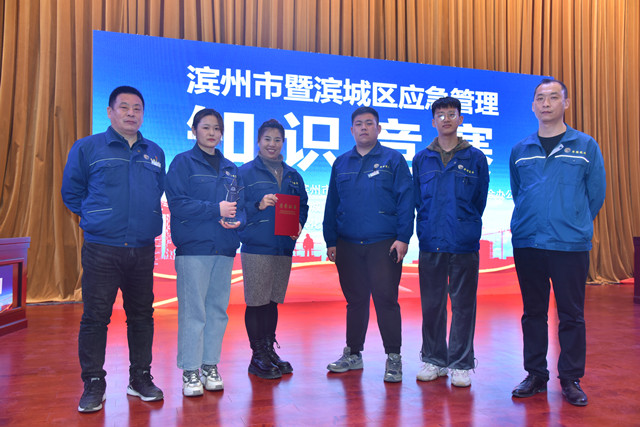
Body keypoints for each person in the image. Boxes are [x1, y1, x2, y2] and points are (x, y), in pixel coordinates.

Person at [61, 86, 165, 413]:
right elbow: (72, 193)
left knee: (142, 316)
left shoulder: (155, 152)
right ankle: (94, 382)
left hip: (142, 248)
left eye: (137, 108)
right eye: (124, 107)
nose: (131, 113)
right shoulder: (88, 147)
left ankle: (140, 377)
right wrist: (97, 218)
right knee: (95, 317)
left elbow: (157, 191)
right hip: (102, 249)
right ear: (110, 112)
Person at [509, 79, 606, 406]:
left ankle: (571, 378)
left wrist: (574, 220)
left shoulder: (586, 146)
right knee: (533, 313)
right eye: (540, 98)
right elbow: (519, 192)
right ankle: (536, 374)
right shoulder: (520, 150)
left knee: (571, 314)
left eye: (553, 97)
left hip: (570, 245)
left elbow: (595, 195)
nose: (546, 103)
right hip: (529, 243)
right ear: (533, 106)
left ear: (565, 103)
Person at [323, 106, 414, 383]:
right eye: (359, 124)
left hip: (383, 243)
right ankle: (353, 353)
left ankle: (394, 357)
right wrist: (330, 240)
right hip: (348, 244)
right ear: (351, 130)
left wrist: (403, 237)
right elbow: (332, 204)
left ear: (379, 128)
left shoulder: (393, 160)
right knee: (355, 301)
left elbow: (406, 201)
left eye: (369, 123)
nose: (364, 128)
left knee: (386, 300)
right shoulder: (341, 163)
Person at [165, 108, 245, 396]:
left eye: (216, 128)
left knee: (217, 312)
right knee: (193, 312)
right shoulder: (182, 163)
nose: (212, 133)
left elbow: (241, 207)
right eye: (206, 127)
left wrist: (237, 220)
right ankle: (190, 370)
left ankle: (210, 365)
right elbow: (178, 204)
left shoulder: (231, 168)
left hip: (224, 249)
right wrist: (215, 210)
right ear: (194, 131)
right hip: (194, 250)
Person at [412, 97, 489, 388]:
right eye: (441, 115)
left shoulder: (475, 158)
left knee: (464, 306)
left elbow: (479, 200)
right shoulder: (421, 159)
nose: (446, 119)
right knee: (432, 305)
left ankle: (460, 364)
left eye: (451, 114)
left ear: (460, 119)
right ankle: (434, 359)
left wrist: (464, 225)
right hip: (431, 241)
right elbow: (417, 200)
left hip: (463, 242)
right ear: (433, 121)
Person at [238, 119, 309, 379]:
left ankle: (269, 351)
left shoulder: (293, 175)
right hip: (257, 246)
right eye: (267, 139)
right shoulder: (244, 173)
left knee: (272, 302)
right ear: (258, 141)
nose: (272, 144)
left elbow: (303, 205)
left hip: (282, 247)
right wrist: (258, 205)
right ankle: (257, 356)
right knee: (257, 302)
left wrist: (299, 223)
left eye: (277, 140)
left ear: (283, 143)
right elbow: (235, 208)